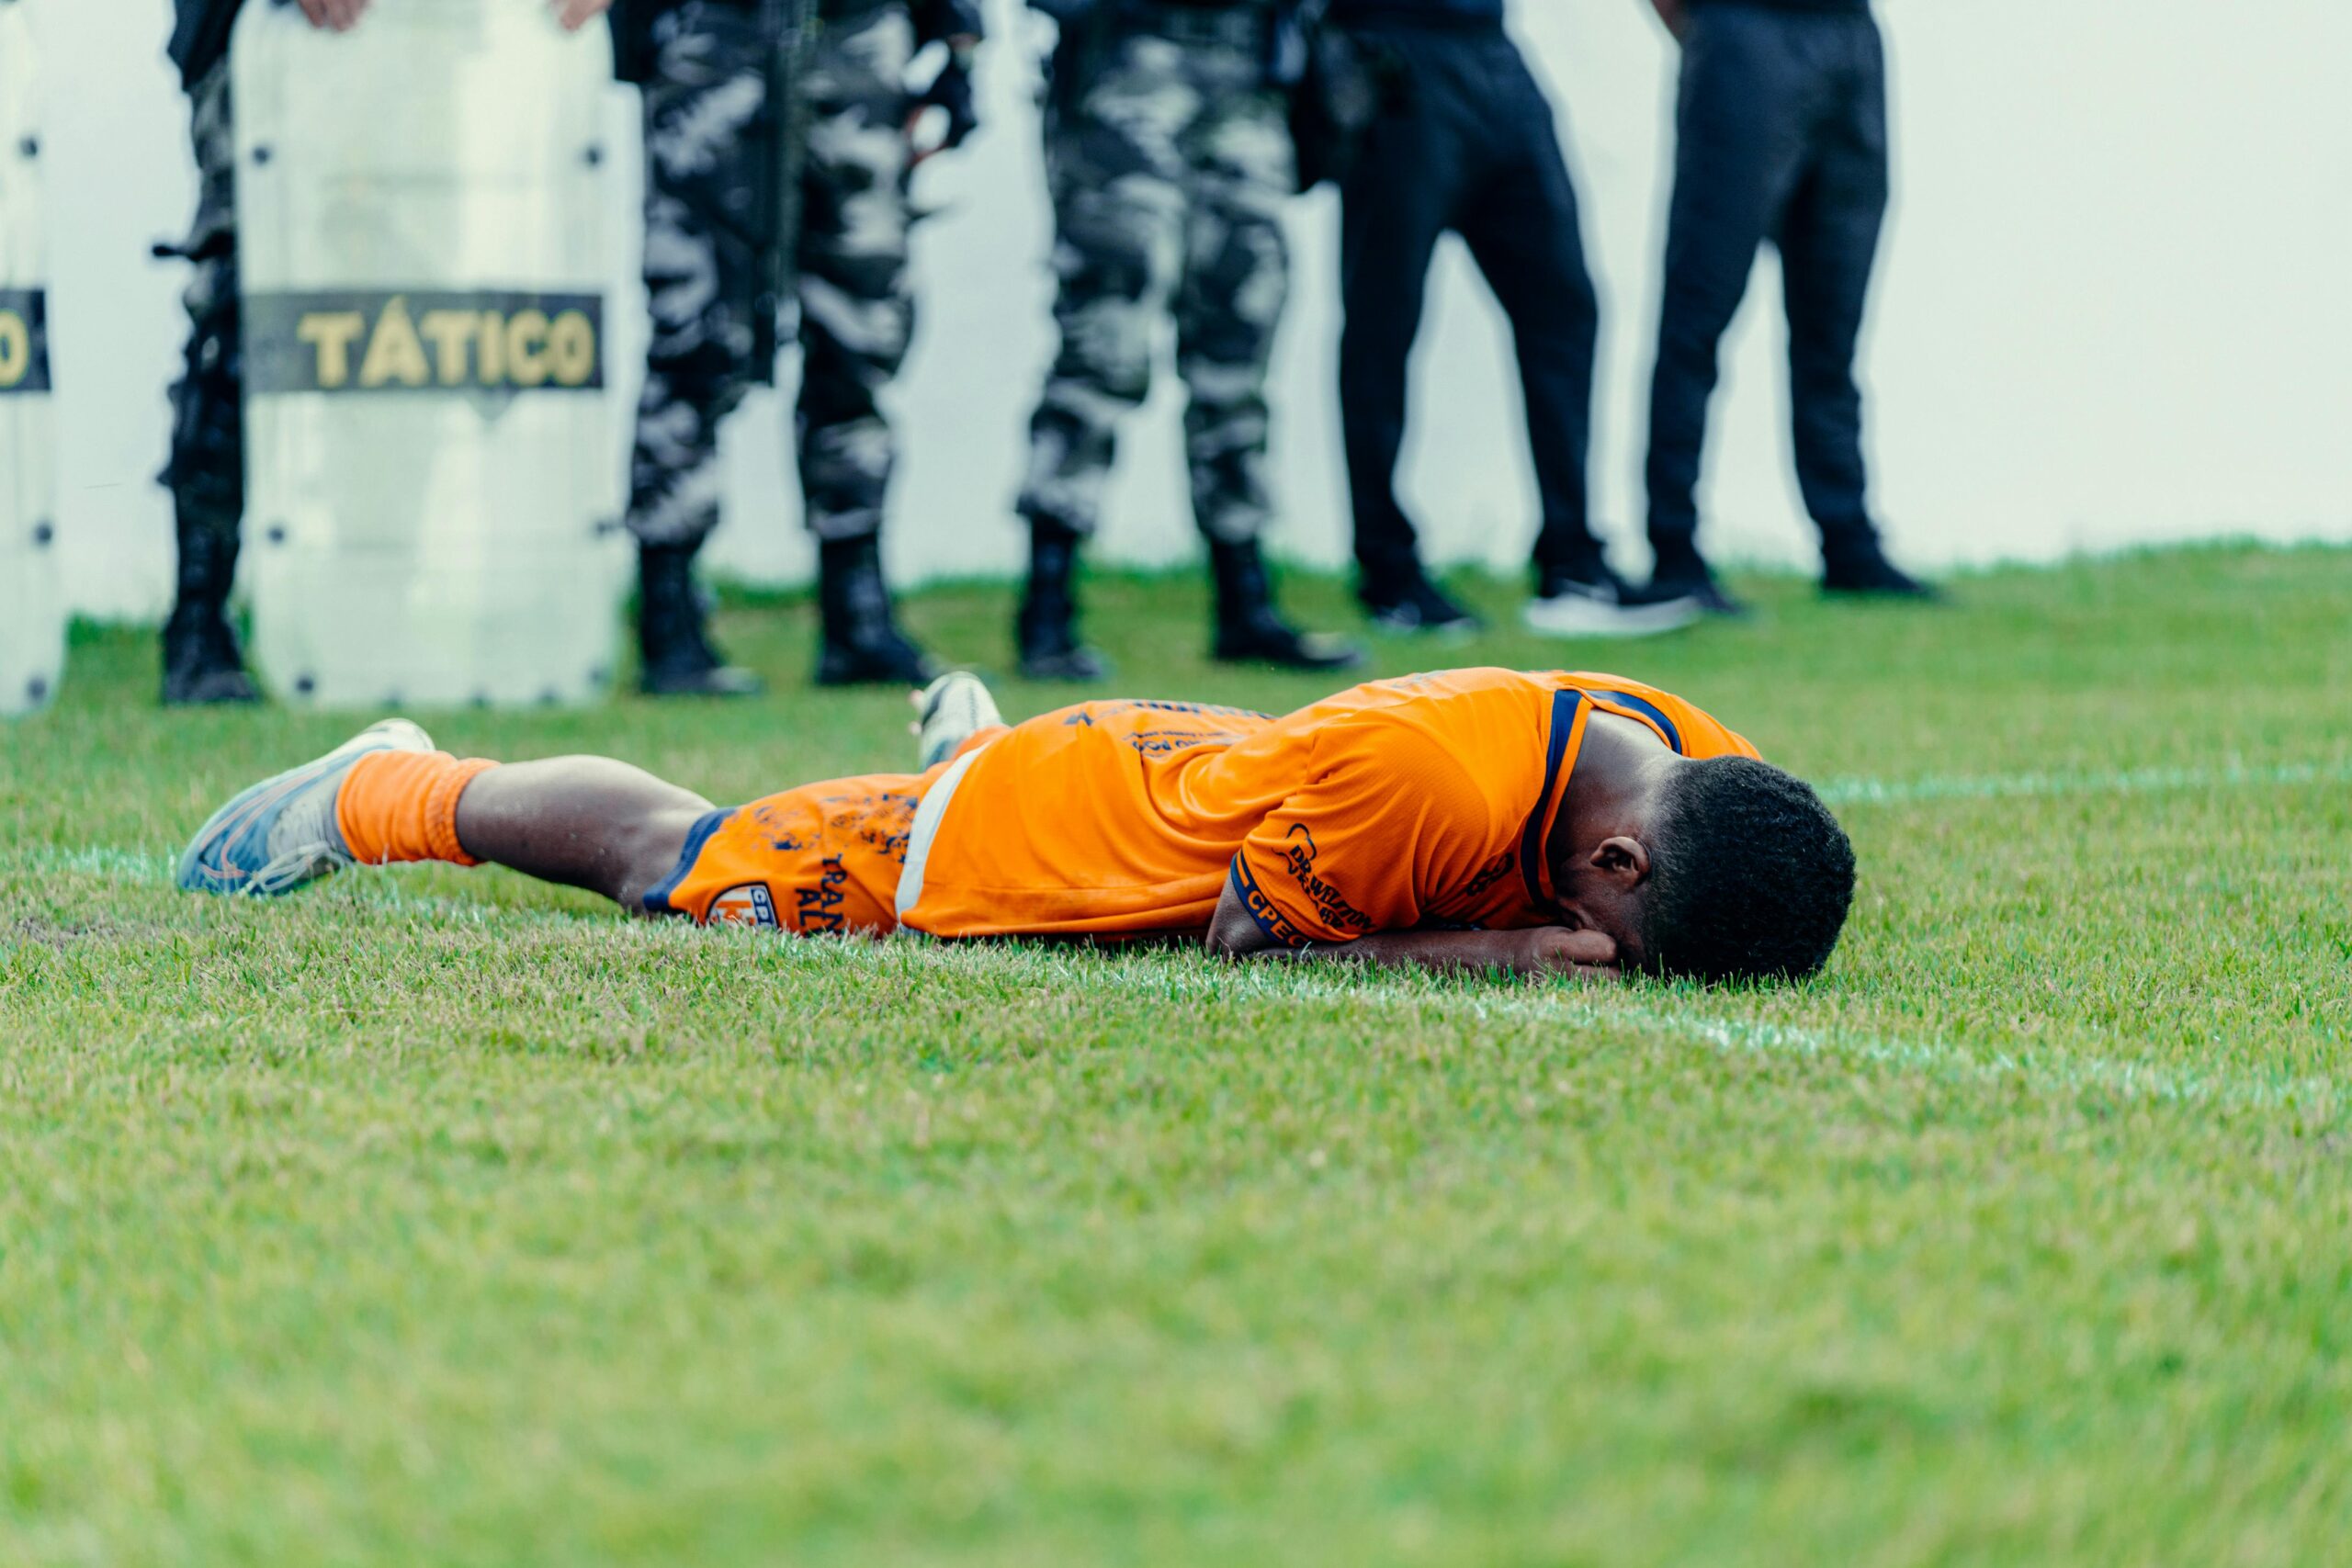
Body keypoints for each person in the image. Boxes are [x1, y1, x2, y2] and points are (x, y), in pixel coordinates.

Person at [175, 666, 1857, 985]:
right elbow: (1245, 944)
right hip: (1048, 827)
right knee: (688, 869)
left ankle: (963, 733)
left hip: (1219, 772)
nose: (1593, 955)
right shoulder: (1436, 787)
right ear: (1616, 863)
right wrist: (1506, 953)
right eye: (1612, 939)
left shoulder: (1698, 759)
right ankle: (385, 785)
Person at [156, 0, 613, 706]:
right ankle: (199, 621)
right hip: (281, 38)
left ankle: (374, 618)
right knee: (256, 314)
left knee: (407, 318)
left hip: (435, 39)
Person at [611, 0, 984, 694]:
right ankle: (668, 620)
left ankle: (858, 618)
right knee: (695, 337)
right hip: (716, 33)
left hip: (860, 34)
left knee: (860, 338)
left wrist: (959, 39)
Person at [1326, 0, 1697, 641]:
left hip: (1495, 53)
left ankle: (1573, 564)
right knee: (1384, 322)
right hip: (1392, 50)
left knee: (1565, 305)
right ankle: (1388, 572)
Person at [1012, 0, 1361, 682]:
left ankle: (1245, 604)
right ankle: (1046, 611)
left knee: (1240, 349)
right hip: (1129, 70)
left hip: (1249, 79)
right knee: (1104, 344)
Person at [1640, 0, 1932, 615]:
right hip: (1745, 32)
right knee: (1700, 312)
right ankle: (1674, 552)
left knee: (1834, 325)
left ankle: (1849, 542)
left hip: (1850, 38)